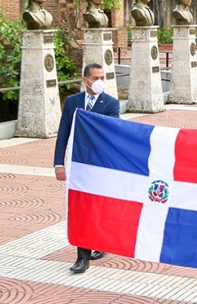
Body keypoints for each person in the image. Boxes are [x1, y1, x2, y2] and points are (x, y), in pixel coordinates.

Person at [53, 63, 120, 274]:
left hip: (100, 166)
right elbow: (63, 133)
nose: (100, 80)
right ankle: (83, 258)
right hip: (78, 165)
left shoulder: (111, 104)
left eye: (102, 76)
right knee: (82, 209)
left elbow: (113, 133)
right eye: (96, 77)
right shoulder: (72, 102)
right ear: (85, 80)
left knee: (98, 207)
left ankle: (99, 241)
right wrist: (58, 163)